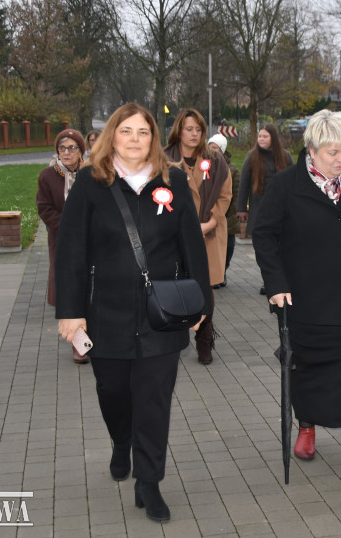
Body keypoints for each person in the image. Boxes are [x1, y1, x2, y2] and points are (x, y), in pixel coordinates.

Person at [54, 102, 212, 523]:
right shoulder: (90, 183)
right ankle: (121, 439)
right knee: (113, 391)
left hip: (162, 315)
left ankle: (149, 481)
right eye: (126, 131)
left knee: (154, 400)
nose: (135, 139)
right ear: (112, 136)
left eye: (143, 132)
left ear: (153, 138)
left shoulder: (173, 181)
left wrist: (202, 303)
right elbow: (70, 250)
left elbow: (191, 245)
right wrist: (70, 312)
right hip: (106, 314)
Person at [251, 109, 341, 472]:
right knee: (307, 368)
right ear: (312, 150)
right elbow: (264, 235)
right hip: (305, 298)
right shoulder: (286, 185)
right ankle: (307, 428)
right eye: (333, 152)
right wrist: (276, 284)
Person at [165, 109, 231, 365]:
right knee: (175, 286)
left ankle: (204, 342)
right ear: (178, 130)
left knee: (204, 289)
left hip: (208, 232)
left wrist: (211, 221)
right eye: (189, 129)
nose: (194, 134)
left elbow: (225, 194)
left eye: (198, 129)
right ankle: (172, 340)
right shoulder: (164, 158)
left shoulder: (215, 159)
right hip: (173, 235)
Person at [35, 128, 87, 363]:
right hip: (62, 241)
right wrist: (66, 227)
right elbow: (44, 208)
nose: (66, 152)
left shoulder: (90, 174)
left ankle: (93, 337)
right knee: (69, 290)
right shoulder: (47, 176)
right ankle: (80, 346)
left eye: (72, 148)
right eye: (62, 148)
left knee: (89, 290)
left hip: (91, 240)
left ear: (80, 151)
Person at [238, 124, 293, 246]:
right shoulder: (251, 157)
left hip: (280, 209)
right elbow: (244, 184)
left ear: (273, 138)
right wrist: (241, 209)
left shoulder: (285, 156)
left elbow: (293, 182)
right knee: (262, 245)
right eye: (259, 136)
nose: (261, 139)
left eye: (265, 136)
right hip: (259, 208)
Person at [208, 133, 239, 289]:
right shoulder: (204, 165)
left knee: (228, 247)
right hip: (209, 214)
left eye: (215, 148)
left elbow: (235, 192)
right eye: (210, 147)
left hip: (228, 214)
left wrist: (227, 211)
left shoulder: (231, 168)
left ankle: (222, 271)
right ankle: (213, 274)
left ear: (222, 150)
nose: (212, 150)